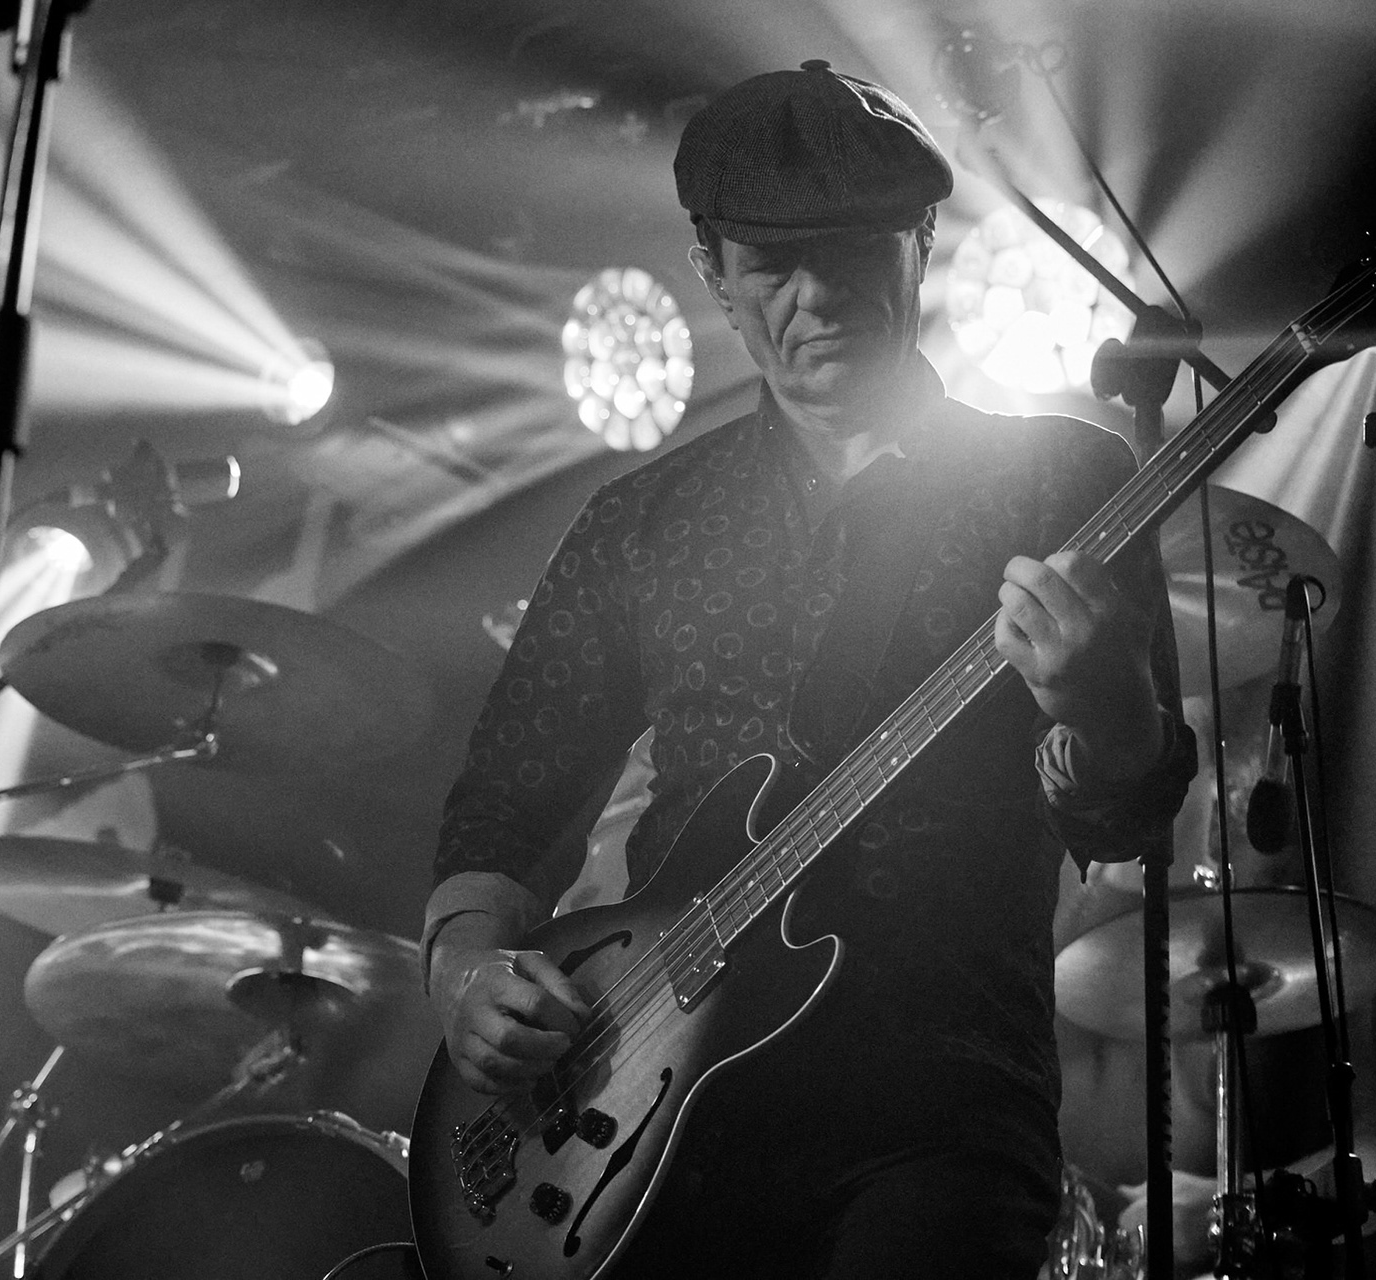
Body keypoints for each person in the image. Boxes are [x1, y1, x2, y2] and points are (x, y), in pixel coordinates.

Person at [422, 60, 1198, 1280]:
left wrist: (1108, 711)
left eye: (852, 252)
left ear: (923, 239)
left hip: (937, 1099)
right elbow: (509, 802)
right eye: (774, 264)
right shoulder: (641, 521)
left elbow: (1125, 819)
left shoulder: (1064, 480)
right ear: (711, 270)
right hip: (645, 1122)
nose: (820, 295)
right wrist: (466, 966)